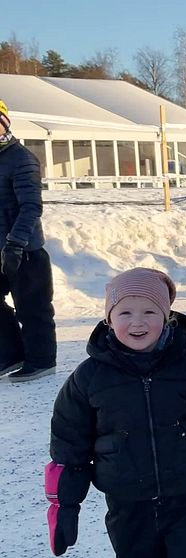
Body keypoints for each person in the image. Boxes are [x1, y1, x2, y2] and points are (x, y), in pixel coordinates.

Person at [47, 268, 186, 557]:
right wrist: (65, 505)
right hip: (127, 501)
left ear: (167, 316)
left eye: (150, 311)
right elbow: (69, 446)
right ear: (109, 320)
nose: (138, 322)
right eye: (125, 313)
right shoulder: (89, 378)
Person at [0, 98, 57, 382]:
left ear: (4, 125)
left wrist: (15, 244)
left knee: (32, 307)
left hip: (24, 250)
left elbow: (31, 207)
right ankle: (11, 353)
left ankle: (41, 360)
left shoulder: (21, 159)